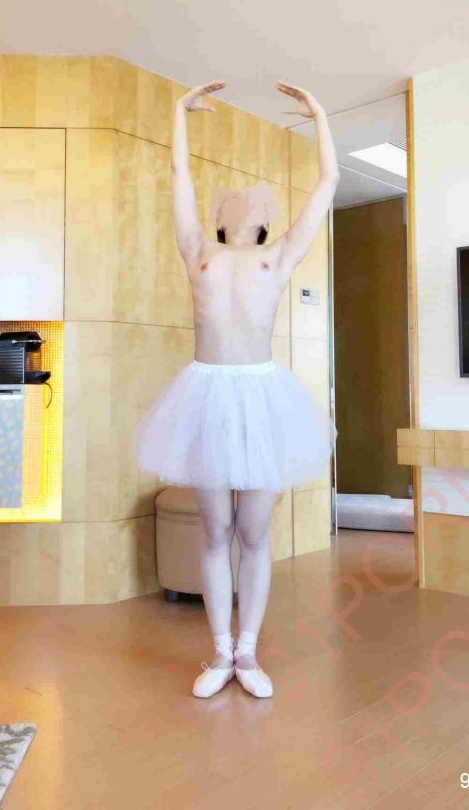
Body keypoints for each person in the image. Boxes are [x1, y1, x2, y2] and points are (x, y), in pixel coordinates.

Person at [136, 78, 339, 698]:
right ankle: (219, 653)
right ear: (219, 218)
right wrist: (179, 112)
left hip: (261, 397)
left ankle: (248, 652)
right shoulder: (196, 249)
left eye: (256, 203)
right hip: (207, 396)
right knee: (215, 532)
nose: (244, 206)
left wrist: (318, 113)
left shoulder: (279, 257)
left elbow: (328, 181)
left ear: (268, 221)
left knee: (253, 532)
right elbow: (178, 174)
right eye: (234, 202)